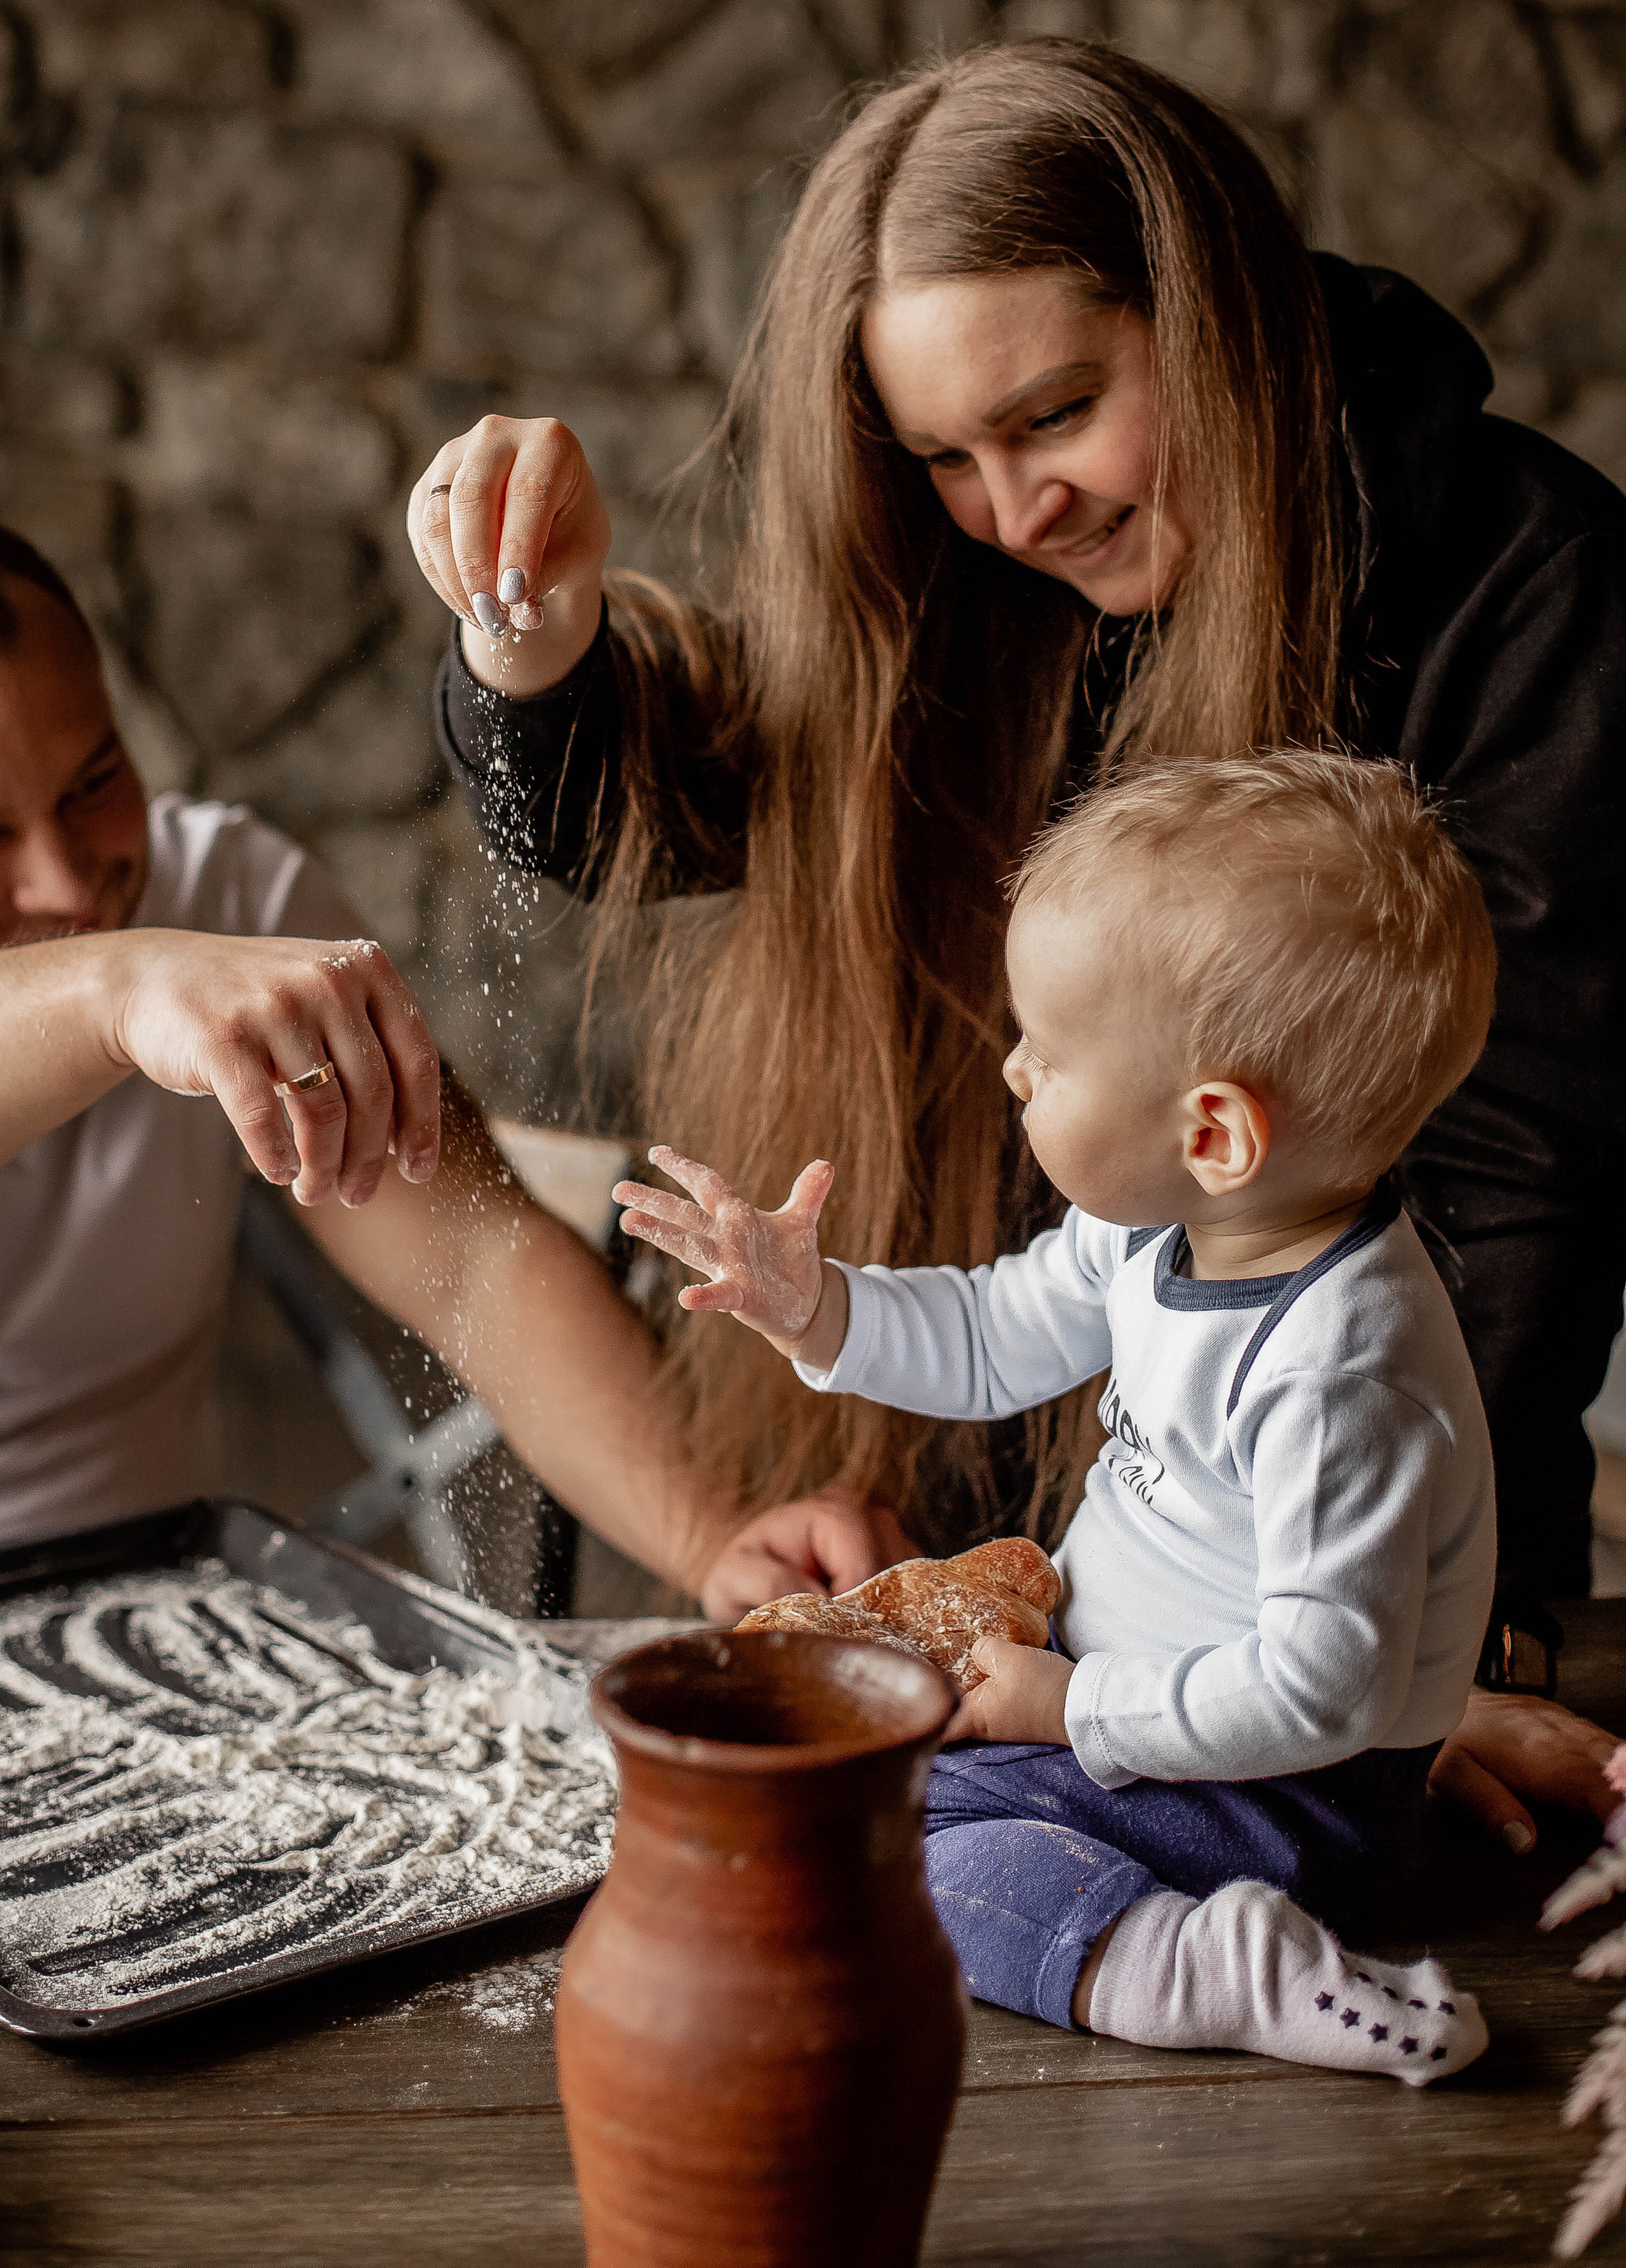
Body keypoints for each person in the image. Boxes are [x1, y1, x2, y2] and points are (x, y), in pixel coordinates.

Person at [409, 34, 1626, 1851]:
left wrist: (1422, 1664)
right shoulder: (957, 576)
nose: (1012, 509)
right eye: (943, 458)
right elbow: (600, 818)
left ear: (1207, 312)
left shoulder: (1522, 585)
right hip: (964, 1529)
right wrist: (533, 643)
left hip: (1303, 1588)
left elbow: (1507, 1180)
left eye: (1056, 413)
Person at [0, 492, 847, 1605]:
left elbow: (477, 1256)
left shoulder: (225, 895)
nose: (65, 880)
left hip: (147, 1606)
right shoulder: (138, 959)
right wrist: (117, 985)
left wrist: (719, 1539)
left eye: (95, 783)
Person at [616, 754, 1495, 2082]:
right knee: (827, 1795)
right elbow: (988, 1334)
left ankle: (1210, 1965)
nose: (1016, 1071)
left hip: (1276, 1800)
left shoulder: (1338, 1370)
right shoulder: (1171, 1233)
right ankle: (1128, 1910)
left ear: (1214, 1134)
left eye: (1052, 1052)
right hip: (1123, 1718)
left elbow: (1327, 1690)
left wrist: (1072, 1707)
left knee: (875, 1856)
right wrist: (819, 1310)